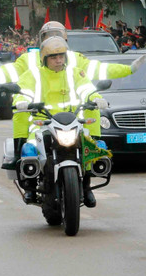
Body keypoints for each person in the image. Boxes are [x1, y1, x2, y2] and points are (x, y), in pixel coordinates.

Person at [0, 21, 143, 183]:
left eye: (58, 38)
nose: (58, 59)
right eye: (49, 37)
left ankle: (90, 173)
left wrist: (126, 71)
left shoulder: (74, 63)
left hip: (72, 118)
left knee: (93, 118)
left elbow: (97, 73)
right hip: (42, 118)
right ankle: (23, 164)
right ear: (42, 44)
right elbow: (7, 75)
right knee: (25, 132)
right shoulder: (30, 63)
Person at [13, 36, 109, 208]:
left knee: (92, 147)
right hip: (43, 123)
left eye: (61, 56)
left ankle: (86, 186)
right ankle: (30, 185)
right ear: (44, 59)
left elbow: (87, 89)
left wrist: (96, 98)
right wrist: (21, 101)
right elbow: (23, 92)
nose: (58, 60)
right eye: (53, 57)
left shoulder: (75, 73)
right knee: (29, 148)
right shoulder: (33, 75)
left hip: (72, 122)